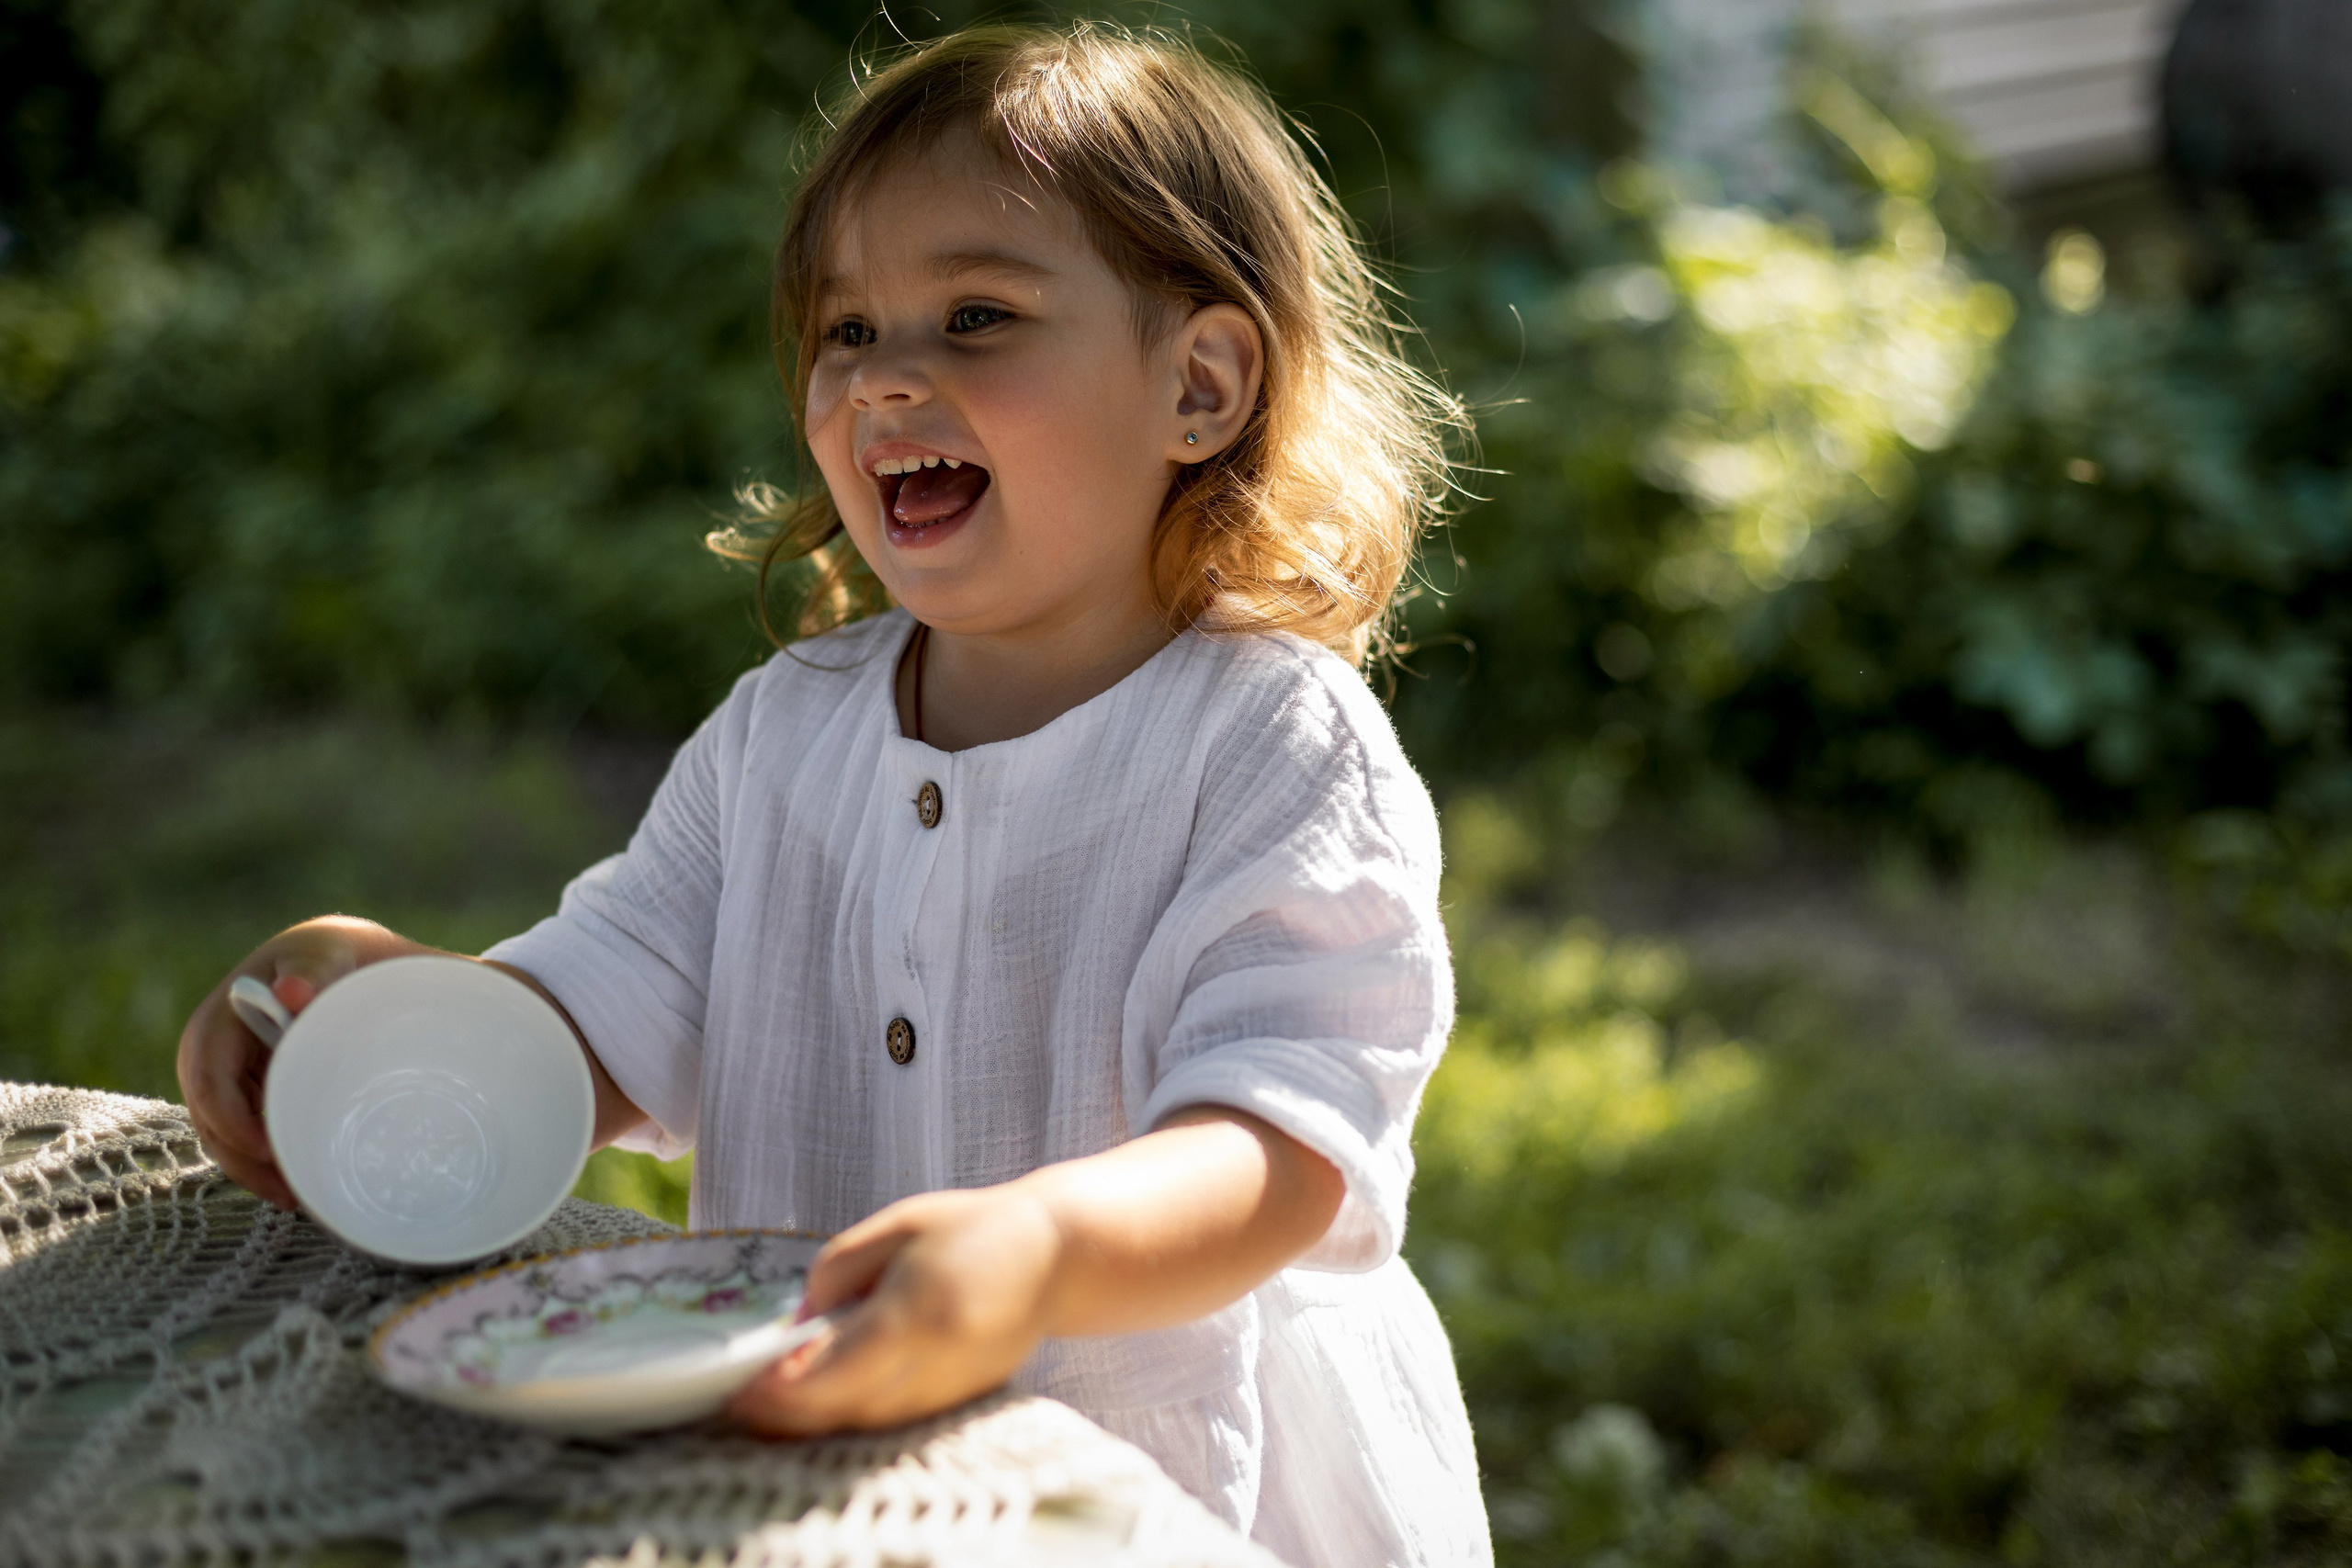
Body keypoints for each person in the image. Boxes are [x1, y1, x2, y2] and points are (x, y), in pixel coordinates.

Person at [176, 22, 1490, 1566]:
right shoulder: (781, 738)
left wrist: (1040, 1250)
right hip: (808, 1465)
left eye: (978, 313)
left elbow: (1285, 1146)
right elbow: (601, 1021)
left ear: (1197, 384)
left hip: (1173, 1481)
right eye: (847, 329)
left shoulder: (1270, 745)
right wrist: (385, 1016)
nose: (886, 379)